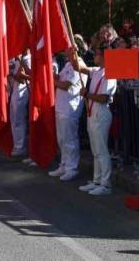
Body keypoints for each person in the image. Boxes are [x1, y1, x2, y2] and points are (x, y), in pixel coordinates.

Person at [73, 46, 117, 196]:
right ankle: (97, 180)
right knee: (95, 150)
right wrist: (73, 53)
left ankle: (106, 184)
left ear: (105, 57)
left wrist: (87, 94)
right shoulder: (97, 71)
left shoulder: (110, 74)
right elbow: (78, 67)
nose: (95, 56)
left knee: (102, 150)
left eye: (97, 54)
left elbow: (104, 98)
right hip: (92, 113)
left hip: (101, 113)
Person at [49, 48, 87, 182]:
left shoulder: (79, 65)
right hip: (61, 106)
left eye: (69, 49)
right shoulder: (67, 64)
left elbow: (65, 85)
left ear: (75, 51)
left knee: (70, 139)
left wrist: (53, 81)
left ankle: (72, 168)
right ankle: (64, 164)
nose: (65, 50)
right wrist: (54, 76)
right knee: (62, 139)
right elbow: (60, 78)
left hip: (70, 108)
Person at [8, 52, 31, 158]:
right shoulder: (18, 58)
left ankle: (20, 146)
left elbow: (23, 79)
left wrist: (13, 74)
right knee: (13, 119)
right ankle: (16, 144)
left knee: (19, 119)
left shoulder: (28, 59)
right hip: (15, 91)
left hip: (22, 92)